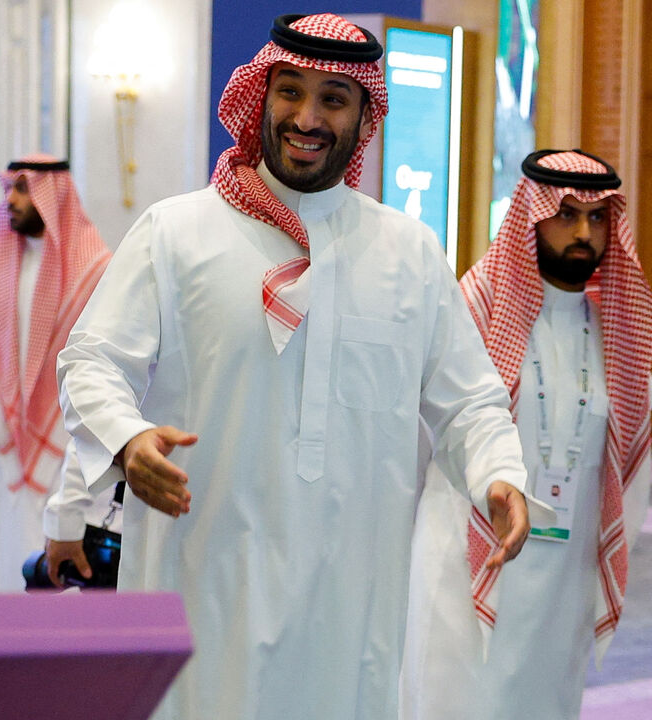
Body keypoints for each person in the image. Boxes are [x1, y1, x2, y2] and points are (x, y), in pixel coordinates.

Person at [47, 13, 538, 719]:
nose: (306, 116)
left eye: (334, 98)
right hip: (203, 591)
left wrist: (498, 475)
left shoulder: (408, 253)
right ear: (261, 96)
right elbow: (92, 361)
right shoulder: (176, 231)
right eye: (290, 91)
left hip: (349, 615)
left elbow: (469, 401)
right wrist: (128, 438)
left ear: (365, 114)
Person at [401, 150, 652, 720]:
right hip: (466, 566)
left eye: (596, 217)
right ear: (530, 218)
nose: (583, 232)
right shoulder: (476, 309)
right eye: (565, 214)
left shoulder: (620, 336)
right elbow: (420, 439)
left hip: (564, 580)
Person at [0, 156, 112, 590]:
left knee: (54, 561)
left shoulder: (95, 271)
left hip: (68, 444)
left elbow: (101, 362)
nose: (11, 199)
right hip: (3, 442)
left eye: (23, 188)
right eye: (9, 188)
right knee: (4, 551)